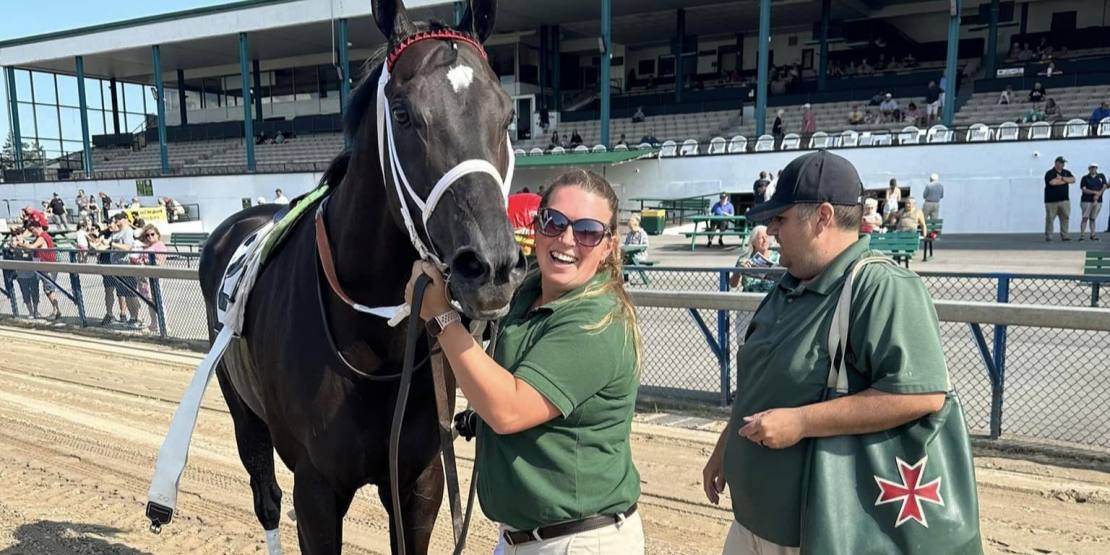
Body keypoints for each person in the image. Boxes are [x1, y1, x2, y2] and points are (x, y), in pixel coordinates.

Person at [702, 150, 950, 553]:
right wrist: (728, 445)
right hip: (753, 521)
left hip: (819, 532)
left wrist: (801, 421)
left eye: (780, 219)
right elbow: (762, 382)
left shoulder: (879, 286)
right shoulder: (789, 284)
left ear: (823, 216)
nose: (772, 230)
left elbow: (921, 393)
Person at [403, 168, 644, 553]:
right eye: (554, 222)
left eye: (586, 231)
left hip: (577, 542)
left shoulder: (597, 322)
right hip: (523, 537)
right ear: (536, 226)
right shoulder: (529, 291)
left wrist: (441, 317)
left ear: (609, 246)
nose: (566, 239)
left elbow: (508, 410)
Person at [108, 213, 143, 328]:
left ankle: (138, 317)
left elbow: (128, 247)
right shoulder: (116, 233)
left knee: (131, 293)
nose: (116, 221)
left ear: (125, 220)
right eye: (115, 219)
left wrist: (113, 244)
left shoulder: (128, 232)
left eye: (118, 219)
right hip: (117, 267)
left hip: (126, 266)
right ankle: (132, 318)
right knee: (124, 293)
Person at [23, 220, 62, 320]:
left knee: (49, 290)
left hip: (47, 267)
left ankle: (56, 311)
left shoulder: (42, 237)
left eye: (32, 230)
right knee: (48, 289)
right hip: (43, 267)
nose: (32, 233)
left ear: (37, 227)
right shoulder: (39, 237)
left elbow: (32, 247)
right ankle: (56, 310)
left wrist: (23, 243)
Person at [136, 224, 169, 333]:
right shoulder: (146, 247)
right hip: (145, 277)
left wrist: (147, 261)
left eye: (152, 234)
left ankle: (163, 324)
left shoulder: (159, 245)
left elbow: (160, 261)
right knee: (150, 300)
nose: (150, 237)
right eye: (147, 235)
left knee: (158, 300)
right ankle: (154, 323)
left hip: (154, 276)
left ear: (157, 235)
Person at [729, 225, 780, 293]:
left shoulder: (778, 257)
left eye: (767, 237)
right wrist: (738, 271)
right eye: (761, 238)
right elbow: (733, 285)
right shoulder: (744, 259)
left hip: (770, 298)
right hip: (749, 298)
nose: (765, 240)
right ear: (753, 241)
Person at [1044, 156, 1075, 242]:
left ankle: (1065, 235)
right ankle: (1049, 236)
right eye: (1061, 163)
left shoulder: (1066, 172)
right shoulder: (1050, 173)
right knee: (1050, 218)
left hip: (1064, 200)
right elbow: (1052, 182)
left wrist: (1061, 178)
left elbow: (1073, 180)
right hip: (1051, 201)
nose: (1063, 165)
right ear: (1056, 163)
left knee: (1065, 217)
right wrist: (1065, 181)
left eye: (1063, 163)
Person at [1079, 163, 1106, 241]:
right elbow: (1084, 189)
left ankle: (1093, 235)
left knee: (1093, 218)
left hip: (1098, 201)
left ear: (1096, 168)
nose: (1093, 169)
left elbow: (1104, 186)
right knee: (1085, 218)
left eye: (1094, 168)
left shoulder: (1101, 176)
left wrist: (1098, 195)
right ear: (1089, 169)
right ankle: (1082, 235)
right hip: (1086, 201)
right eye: (1091, 168)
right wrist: (1095, 192)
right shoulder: (1085, 178)